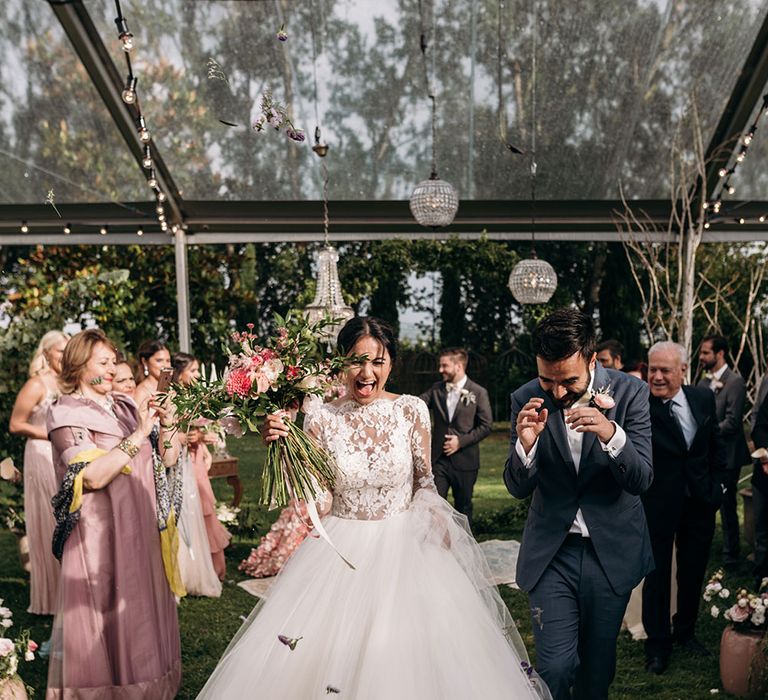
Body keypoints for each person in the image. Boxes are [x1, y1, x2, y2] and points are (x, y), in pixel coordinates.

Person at [197, 317, 549, 700]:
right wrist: (282, 449)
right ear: (340, 363)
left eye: (377, 362)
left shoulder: (412, 410)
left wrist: (434, 519)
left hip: (406, 546)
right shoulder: (321, 417)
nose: (366, 373)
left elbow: (425, 482)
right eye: (356, 361)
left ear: (391, 364)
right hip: (341, 551)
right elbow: (319, 496)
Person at [504, 308, 653, 700]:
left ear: (591, 360)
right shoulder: (524, 398)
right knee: (555, 666)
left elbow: (641, 479)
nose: (556, 392)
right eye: (546, 379)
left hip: (612, 553)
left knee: (596, 672)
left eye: (568, 380)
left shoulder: (630, 393)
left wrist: (610, 433)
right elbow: (517, 487)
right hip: (554, 552)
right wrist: (526, 445)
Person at [45, 329, 182, 699]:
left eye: (112, 360)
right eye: (103, 363)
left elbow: (166, 458)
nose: (112, 368)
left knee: (137, 610)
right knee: (102, 613)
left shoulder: (123, 405)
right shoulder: (64, 412)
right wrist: (139, 434)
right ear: (79, 365)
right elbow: (90, 476)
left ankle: (145, 688)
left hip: (138, 523)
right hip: (98, 533)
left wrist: (166, 422)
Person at [642, 341, 726, 675]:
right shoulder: (641, 407)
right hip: (658, 503)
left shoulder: (703, 398)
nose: (657, 377)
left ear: (683, 371)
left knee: (692, 571)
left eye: (665, 370)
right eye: (652, 370)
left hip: (700, 502)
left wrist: (718, 486)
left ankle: (685, 631)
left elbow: (715, 443)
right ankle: (657, 646)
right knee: (657, 576)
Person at [9, 330, 69, 615]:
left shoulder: (67, 382)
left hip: (64, 454)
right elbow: (16, 424)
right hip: (41, 453)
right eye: (60, 352)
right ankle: (49, 596)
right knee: (48, 520)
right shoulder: (37, 384)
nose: (65, 357)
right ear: (46, 354)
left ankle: (69, 589)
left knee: (66, 520)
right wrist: (49, 433)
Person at [173, 351, 229, 589]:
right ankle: (188, 568)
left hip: (195, 458)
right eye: (193, 370)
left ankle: (211, 567)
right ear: (179, 372)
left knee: (203, 510)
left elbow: (212, 431)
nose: (197, 375)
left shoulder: (196, 396)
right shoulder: (171, 396)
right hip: (180, 458)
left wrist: (200, 436)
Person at [419, 347, 492, 526]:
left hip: (465, 461)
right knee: (434, 506)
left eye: (444, 366)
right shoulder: (436, 389)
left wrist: (461, 441)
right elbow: (417, 403)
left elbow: (486, 425)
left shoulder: (478, 392)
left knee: (463, 507)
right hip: (439, 461)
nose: (440, 370)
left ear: (458, 366)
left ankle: (463, 551)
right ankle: (435, 549)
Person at [697, 334, 750, 569]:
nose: (701, 357)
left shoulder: (736, 381)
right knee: (705, 503)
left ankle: (731, 555)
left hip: (728, 456)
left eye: (706, 352)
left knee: (728, 505)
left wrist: (705, 433)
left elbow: (732, 422)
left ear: (720, 354)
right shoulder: (702, 383)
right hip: (705, 456)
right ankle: (705, 548)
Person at [750, 392, 768, 588]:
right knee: (762, 530)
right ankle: (761, 579)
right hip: (765, 478)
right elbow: (758, 429)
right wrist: (766, 457)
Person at [133, 339, 172, 408]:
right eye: (159, 360)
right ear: (144, 361)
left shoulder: (172, 388)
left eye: (168, 361)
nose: (165, 365)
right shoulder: (141, 393)